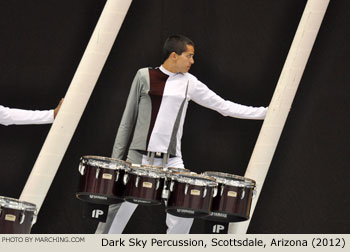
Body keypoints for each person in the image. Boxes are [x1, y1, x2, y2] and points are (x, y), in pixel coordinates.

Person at [96, 34, 268, 234]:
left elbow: (223, 106)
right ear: (174, 55)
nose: (193, 61)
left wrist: (267, 113)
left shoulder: (189, 82)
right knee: (114, 216)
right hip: (138, 158)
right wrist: (117, 162)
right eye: (189, 56)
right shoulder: (144, 75)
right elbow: (127, 121)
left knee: (186, 210)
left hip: (172, 161)